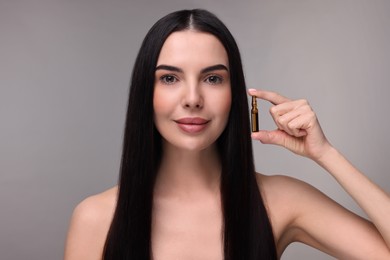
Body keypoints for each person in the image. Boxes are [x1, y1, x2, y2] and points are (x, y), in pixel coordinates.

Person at [64, 9, 390, 260]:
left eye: (212, 79)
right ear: (144, 93)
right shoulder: (96, 218)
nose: (192, 98)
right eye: (169, 79)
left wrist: (326, 154)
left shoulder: (281, 201)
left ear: (234, 93)